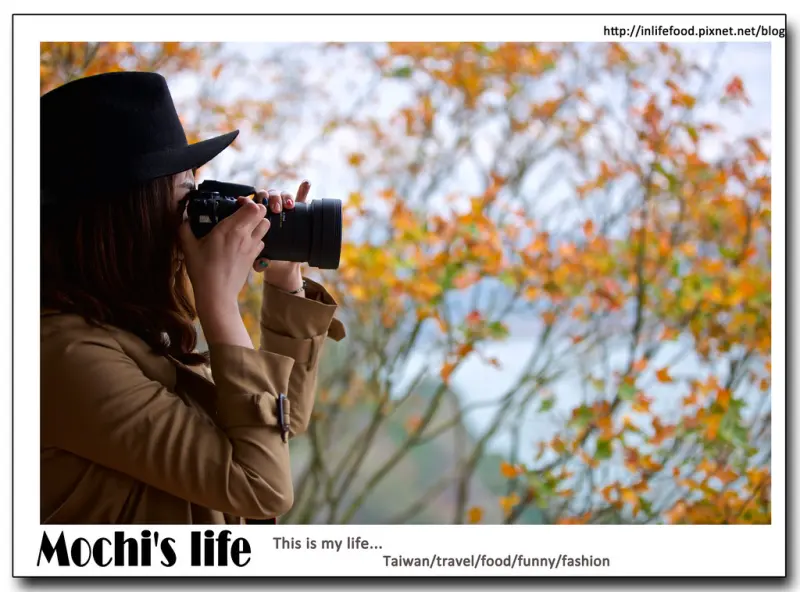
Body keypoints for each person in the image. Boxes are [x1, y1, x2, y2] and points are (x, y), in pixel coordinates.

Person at [39, 71, 345, 524]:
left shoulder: (129, 333)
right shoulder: (63, 356)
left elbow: (277, 423)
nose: (196, 212)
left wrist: (283, 278)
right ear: (130, 215)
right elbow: (261, 487)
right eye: (185, 194)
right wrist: (219, 305)